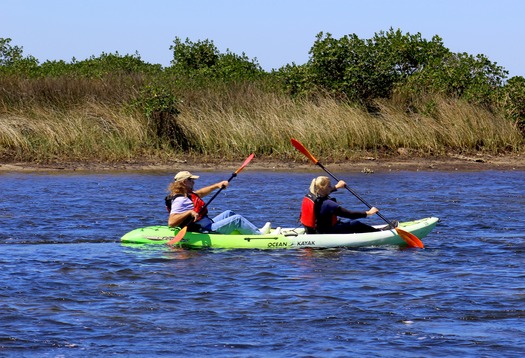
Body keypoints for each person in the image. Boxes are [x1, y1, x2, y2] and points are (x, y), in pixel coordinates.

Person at [166, 170, 264, 235]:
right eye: (190, 180)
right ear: (184, 182)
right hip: (204, 229)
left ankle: (254, 230)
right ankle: (260, 236)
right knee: (237, 219)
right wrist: (189, 212)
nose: (193, 182)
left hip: (206, 224)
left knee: (229, 213)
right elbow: (171, 222)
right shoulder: (180, 200)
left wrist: (217, 185)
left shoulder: (188, 194)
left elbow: (200, 193)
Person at [300, 176, 397, 234]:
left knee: (348, 224)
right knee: (356, 224)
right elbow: (349, 215)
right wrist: (368, 213)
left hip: (315, 230)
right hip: (327, 232)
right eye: (329, 186)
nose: (331, 187)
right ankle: (380, 233)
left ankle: (378, 230)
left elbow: (326, 192)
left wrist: (337, 187)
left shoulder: (312, 195)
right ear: (322, 188)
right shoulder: (329, 204)